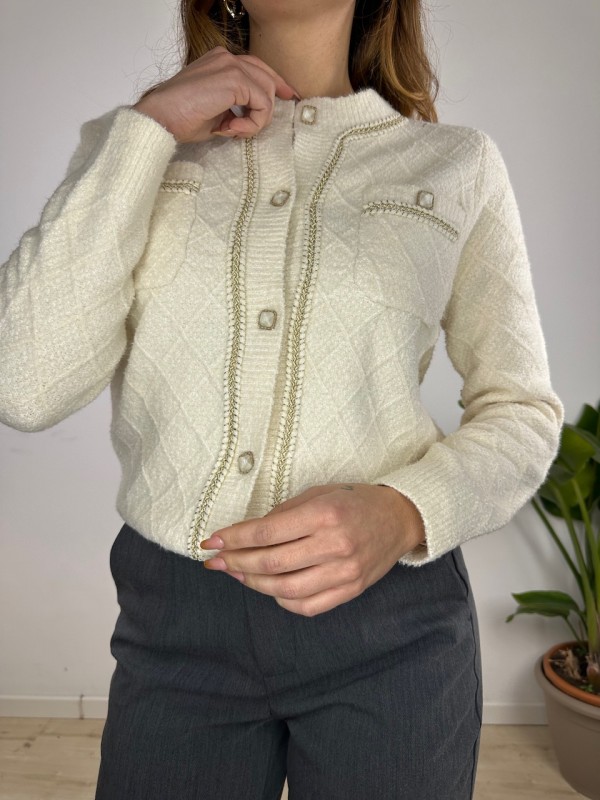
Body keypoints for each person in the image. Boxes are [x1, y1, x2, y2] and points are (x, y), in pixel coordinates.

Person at [0, 0, 564, 798]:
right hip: (177, 625)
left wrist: (402, 513)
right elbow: (24, 386)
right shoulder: (133, 147)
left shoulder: (455, 164)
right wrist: (148, 127)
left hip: (391, 623)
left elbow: (523, 411)